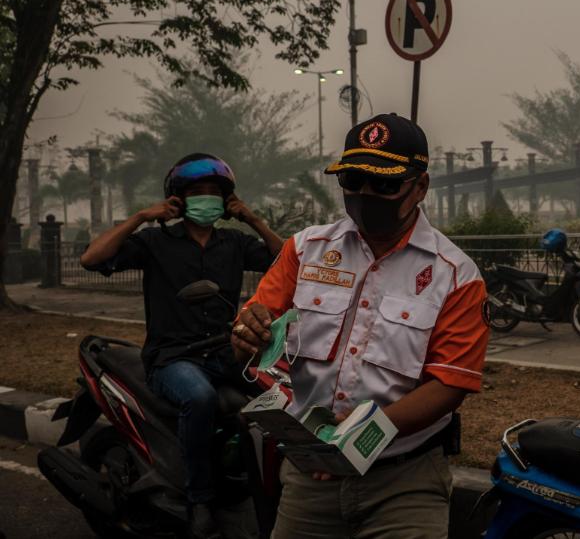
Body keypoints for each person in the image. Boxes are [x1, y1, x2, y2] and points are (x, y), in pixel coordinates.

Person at [230, 114, 490, 539]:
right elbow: (249, 336)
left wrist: (353, 441)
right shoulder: (305, 250)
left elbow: (450, 384)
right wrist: (246, 334)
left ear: (420, 187)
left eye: (385, 184)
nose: (367, 194)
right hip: (307, 479)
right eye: (353, 180)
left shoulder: (456, 275)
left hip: (404, 483)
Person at [80, 153, 282, 539]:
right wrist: (142, 217)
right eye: (196, 192)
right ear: (178, 200)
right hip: (172, 357)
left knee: (273, 393)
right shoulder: (155, 241)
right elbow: (92, 258)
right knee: (200, 398)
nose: (206, 198)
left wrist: (253, 219)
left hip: (225, 350)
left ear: (226, 201)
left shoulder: (234, 242)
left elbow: (290, 262)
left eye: (214, 193)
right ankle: (199, 499)